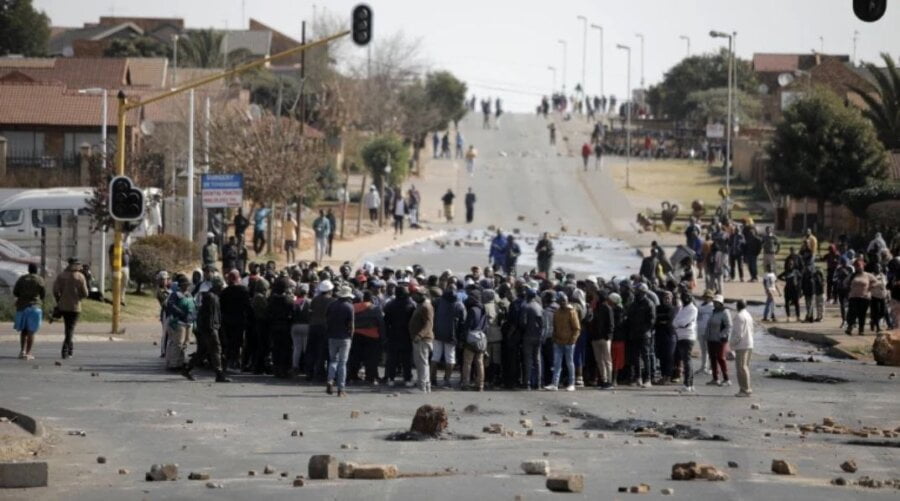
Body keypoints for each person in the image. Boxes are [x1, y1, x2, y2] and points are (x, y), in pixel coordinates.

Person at [182, 275, 231, 382]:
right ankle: (219, 374)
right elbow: (210, 316)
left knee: (203, 351)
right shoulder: (211, 297)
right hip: (210, 328)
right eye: (221, 285)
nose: (222, 287)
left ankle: (187, 368)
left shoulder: (213, 296)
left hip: (209, 328)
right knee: (216, 349)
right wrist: (213, 330)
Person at [53, 258, 88, 360]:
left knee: (68, 328)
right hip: (75, 306)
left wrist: (59, 299)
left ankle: (70, 349)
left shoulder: (61, 276)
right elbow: (85, 293)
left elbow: (55, 290)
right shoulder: (80, 277)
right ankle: (65, 349)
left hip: (63, 306)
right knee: (70, 328)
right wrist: (79, 297)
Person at [544, 293, 581, 391]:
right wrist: (554, 338)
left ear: (567, 300)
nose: (562, 302)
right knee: (557, 363)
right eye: (560, 301)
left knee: (569, 363)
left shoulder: (571, 312)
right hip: (558, 342)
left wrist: (572, 341)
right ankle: (554, 384)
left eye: (564, 300)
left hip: (569, 342)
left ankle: (571, 383)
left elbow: (577, 328)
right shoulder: (557, 312)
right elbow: (555, 326)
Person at [348, 291, 384, 385]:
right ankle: (371, 377)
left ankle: (352, 375)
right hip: (372, 336)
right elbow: (380, 322)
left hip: (356, 335)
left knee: (355, 357)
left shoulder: (354, 307)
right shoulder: (375, 308)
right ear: (371, 299)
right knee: (371, 358)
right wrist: (383, 336)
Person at [433, 285, 465, 387]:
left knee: (435, 357)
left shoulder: (438, 301)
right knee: (450, 358)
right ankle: (447, 380)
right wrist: (461, 337)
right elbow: (463, 322)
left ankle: (432, 379)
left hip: (437, 333)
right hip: (452, 336)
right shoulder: (459, 305)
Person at [325, 285, 355, 396]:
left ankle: (330, 380)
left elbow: (326, 319)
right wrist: (351, 336)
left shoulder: (331, 305)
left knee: (333, 360)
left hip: (332, 336)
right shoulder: (349, 307)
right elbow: (351, 325)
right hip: (344, 337)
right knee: (342, 363)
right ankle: (341, 388)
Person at [384, 285, 416, 387]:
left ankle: (391, 379)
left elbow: (385, 322)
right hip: (406, 335)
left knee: (392, 359)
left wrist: (386, 335)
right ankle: (407, 379)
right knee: (406, 359)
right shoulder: (410, 305)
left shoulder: (390, 305)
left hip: (393, 335)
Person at [219, 270, 250, 371]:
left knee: (229, 342)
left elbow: (221, 307)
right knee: (238, 342)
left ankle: (228, 362)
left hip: (227, 320)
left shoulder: (224, 292)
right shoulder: (244, 290)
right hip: (239, 320)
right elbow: (247, 306)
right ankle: (235, 362)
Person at [13, 263, 45, 360]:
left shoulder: (22, 279)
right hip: (35, 307)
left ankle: (22, 351)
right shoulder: (40, 279)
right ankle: (28, 353)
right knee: (31, 332)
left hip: (22, 307)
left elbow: (15, 292)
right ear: (36, 270)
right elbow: (43, 293)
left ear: (28, 270)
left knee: (24, 331)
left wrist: (22, 296)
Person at [627, 285, 656, 387]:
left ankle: (648, 379)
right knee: (635, 356)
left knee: (646, 356)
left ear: (644, 292)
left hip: (644, 334)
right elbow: (629, 317)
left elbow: (652, 321)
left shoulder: (649, 303)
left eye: (638, 291)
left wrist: (644, 329)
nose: (636, 293)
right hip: (634, 333)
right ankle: (638, 377)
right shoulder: (634, 303)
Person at [165, 276, 197, 370]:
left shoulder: (189, 295)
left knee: (185, 343)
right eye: (185, 285)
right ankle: (173, 364)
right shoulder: (175, 295)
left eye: (188, 285)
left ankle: (181, 362)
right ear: (180, 285)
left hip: (189, 322)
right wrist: (181, 313)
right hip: (179, 322)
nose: (187, 287)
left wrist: (193, 318)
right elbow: (171, 306)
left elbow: (194, 307)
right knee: (177, 343)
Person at [266, 277, 295, 379]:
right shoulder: (288, 300)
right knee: (285, 348)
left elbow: (268, 312)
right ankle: (284, 369)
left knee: (276, 348)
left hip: (274, 326)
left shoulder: (271, 300)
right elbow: (293, 312)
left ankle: (276, 369)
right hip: (285, 326)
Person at [461, 285, 488, 391]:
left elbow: (468, 325)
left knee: (467, 362)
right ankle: (480, 384)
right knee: (479, 362)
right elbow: (485, 326)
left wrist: (463, 338)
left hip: (471, 338)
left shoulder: (472, 310)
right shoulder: (483, 309)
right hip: (481, 337)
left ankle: (466, 383)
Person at [307, 280, 335, 381]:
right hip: (325, 328)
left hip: (313, 326)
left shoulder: (315, 299)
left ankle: (309, 372)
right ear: (330, 290)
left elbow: (310, 312)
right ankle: (320, 373)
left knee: (311, 350)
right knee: (322, 351)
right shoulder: (332, 301)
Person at [409, 285, 435, 392]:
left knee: (422, 363)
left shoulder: (426, 306)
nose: (413, 297)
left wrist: (419, 335)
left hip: (423, 339)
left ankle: (423, 385)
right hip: (420, 339)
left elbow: (429, 324)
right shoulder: (421, 305)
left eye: (416, 295)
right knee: (420, 363)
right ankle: (424, 384)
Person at [705, 295, 732, 387]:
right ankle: (715, 378)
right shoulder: (713, 312)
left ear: (721, 303)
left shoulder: (725, 312)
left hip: (720, 339)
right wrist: (707, 335)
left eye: (716, 302)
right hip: (711, 338)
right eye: (714, 302)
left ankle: (726, 379)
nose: (715, 304)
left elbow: (729, 326)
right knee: (712, 358)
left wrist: (722, 335)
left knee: (721, 358)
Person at [673, 292, 698, 392]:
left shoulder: (693, 309)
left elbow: (683, 323)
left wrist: (679, 324)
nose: (684, 299)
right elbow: (674, 322)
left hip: (688, 336)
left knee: (687, 360)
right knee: (686, 360)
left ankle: (687, 384)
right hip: (680, 336)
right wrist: (679, 324)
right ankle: (689, 384)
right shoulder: (682, 308)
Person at [590, 290, 614, 389]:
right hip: (596, 337)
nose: (594, 297)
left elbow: (611, 324)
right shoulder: (596, 308)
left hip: (604, 338)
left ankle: (609, 381)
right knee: (599, 360)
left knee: (607, 360)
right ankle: (603, 380)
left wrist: (608, 336)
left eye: (596, 296)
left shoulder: (607, 308)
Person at [521, 288, 544, 390]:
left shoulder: (525, 306)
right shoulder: (539, 307)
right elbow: (542, 323)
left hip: (528, 335)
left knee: (528, 360)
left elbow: (523, 323)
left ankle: (528, 383)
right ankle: (538, 383)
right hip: (538, 336)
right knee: (537, 360)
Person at [731, 299, 754, 397]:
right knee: (745, 367)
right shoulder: (748, 315)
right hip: (749, 343)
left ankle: (745, 390)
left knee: (741, 367)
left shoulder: (739, 316)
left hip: (742, 345)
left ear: (737, 306)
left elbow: (738, 334)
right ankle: (745, 388)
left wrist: (731, 344)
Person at [289, 283, 311, 376]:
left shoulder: (294, 301)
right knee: (306, 348)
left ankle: (295, 367)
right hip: (306, 326)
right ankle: (306, 367)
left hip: (295, 326)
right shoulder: (310, 302)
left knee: (296, 348)